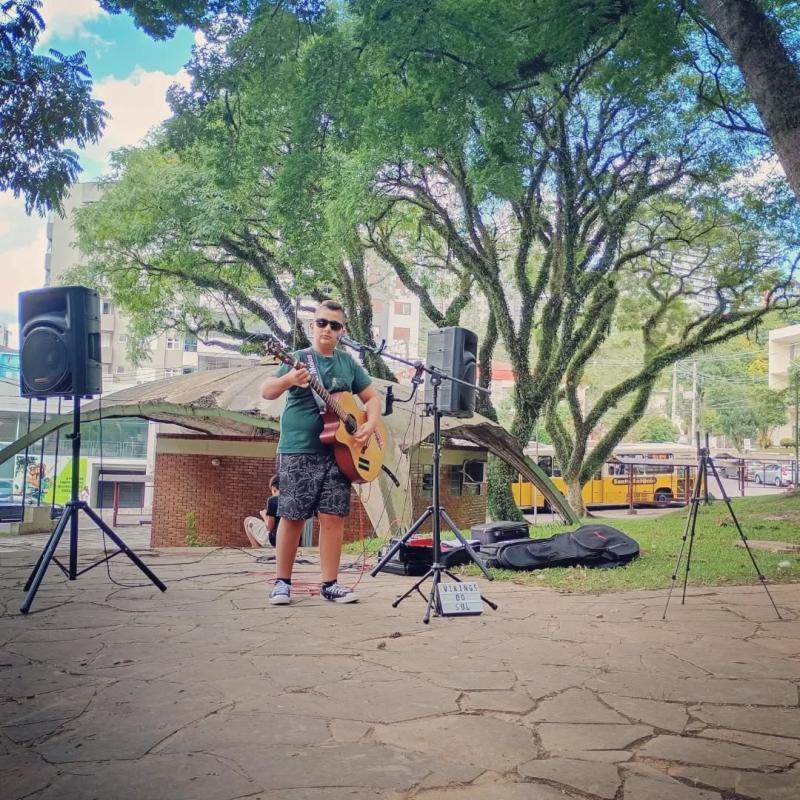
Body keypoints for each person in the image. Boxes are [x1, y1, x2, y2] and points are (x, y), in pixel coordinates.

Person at [260, 299, 380, 605]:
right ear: (313, 326)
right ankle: (282, 583)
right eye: (323, 323)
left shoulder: (348, 364)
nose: (328, 329)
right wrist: (289, 379)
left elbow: (372, 398)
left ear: (342, 331)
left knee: (333, 517)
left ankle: (330, 584)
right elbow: (267, 390)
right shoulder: (298, 358)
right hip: (300, 449)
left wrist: (370, 425)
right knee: (292, 515)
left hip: (340, 453)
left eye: (335, 325)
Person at [243, 476, 280, 548]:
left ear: (274, 489)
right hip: (291, 542)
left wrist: (264, 515)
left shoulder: (273, 500)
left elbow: (269, 528)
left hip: (274, 541)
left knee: (247, 520)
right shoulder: (293, 500)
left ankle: (255, 548)